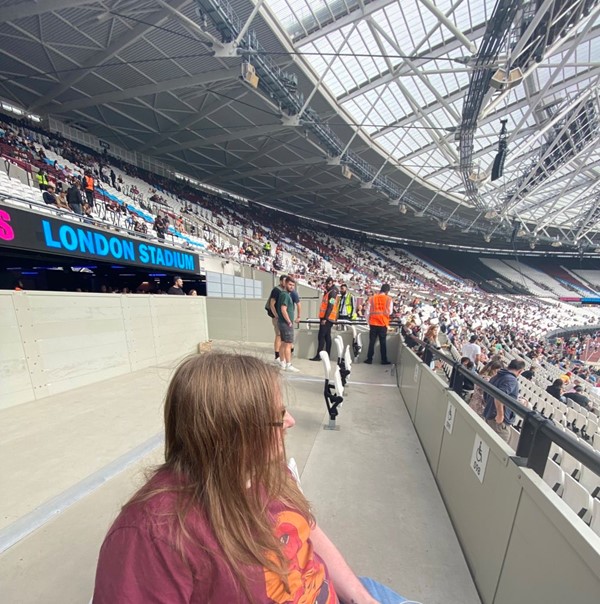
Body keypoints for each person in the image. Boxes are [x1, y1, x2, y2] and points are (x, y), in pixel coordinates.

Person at [93, 353, 407, 603]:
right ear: (233, 432)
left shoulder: (264, 468)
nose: (291, 422)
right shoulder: (152, 534)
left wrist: (361, 596)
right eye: (278, 415)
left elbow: (307, 532)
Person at [482, 359, 526, 443]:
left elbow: (486, 395)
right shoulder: (511, 380)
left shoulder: (497, 376)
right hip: (498, 421)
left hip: (490, 415)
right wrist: (500, 415)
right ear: (520, 371)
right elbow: (499, 396)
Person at [268, 275, 301, 363]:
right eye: (288, 283)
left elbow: (298, 304)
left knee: (283, 341)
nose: (291, 286)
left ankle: (282, 361)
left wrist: (298, 316)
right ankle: (282, 360)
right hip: (283, 320)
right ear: (282, 282)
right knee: (283, 340)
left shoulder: (289, 293)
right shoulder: (279, 291)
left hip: (284, 319)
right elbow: (275, 305)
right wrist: (277, 316)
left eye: (292, 285)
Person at [310, 277, 339, 361]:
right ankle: (327, 355)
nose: (326, 285)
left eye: (328, 284)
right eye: (326, 284)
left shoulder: (333, 292)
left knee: (321, 336)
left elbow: (330, 306)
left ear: (331, 283)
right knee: (327, 336)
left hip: (327, 318)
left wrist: (325, 318)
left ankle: (319, 356)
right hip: (328, 318)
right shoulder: (330, 291)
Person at [364, 284, 393, 365]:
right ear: (387, 291)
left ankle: (369, 359)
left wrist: (368, 322)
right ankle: (384, 360)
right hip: (383, 324)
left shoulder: (372, 298)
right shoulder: (389, 299)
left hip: (373, 323)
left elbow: (367, 312)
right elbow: (390, 312)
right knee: (383, 343)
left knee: (372, 342)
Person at [276, 276, 300, 373]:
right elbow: (283, 309)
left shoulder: (283, 294)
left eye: (293, 285)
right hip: (286, 323)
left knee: (283, 343)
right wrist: (289, 321)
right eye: (290, 284)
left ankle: (282, 363)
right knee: (288, 344)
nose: (291, 287)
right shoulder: (285, 295)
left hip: (282, 323)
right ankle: (288, 364)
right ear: (285, 284)